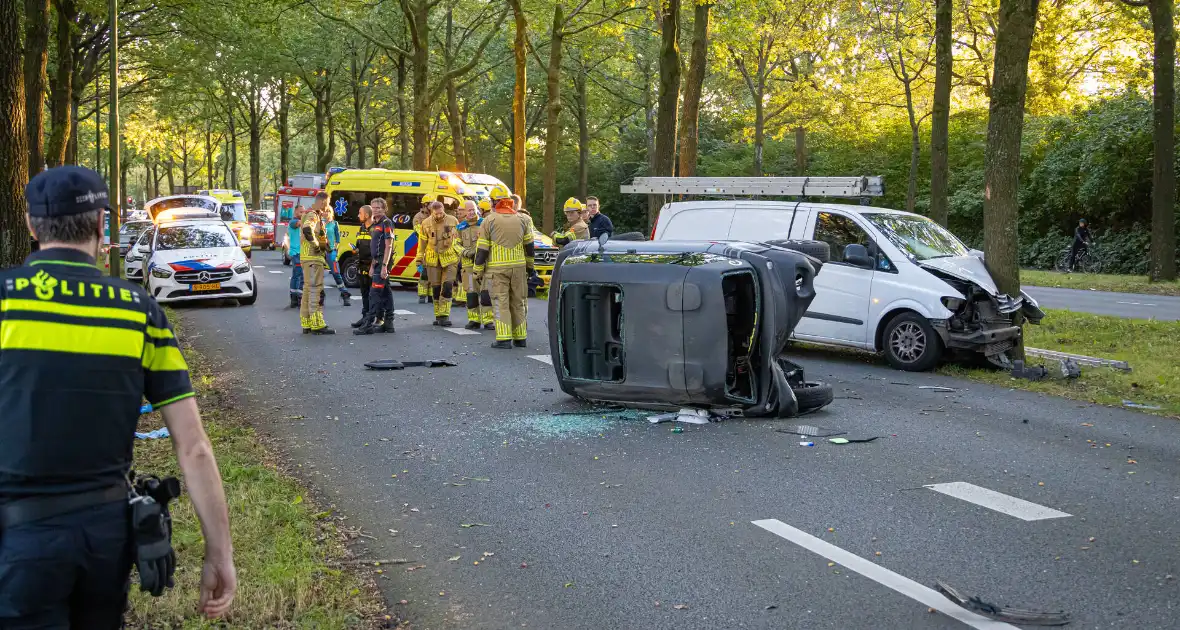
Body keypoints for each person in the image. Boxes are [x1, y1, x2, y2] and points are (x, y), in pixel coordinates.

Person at [1, 166, 236, 625]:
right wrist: (219, 553)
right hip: (106, 538)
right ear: (100, 225)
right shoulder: (138, 312)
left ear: (31, 225)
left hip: (18, 537)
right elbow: (194, 446)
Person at [475, 196, 534, 349]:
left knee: (500, 302)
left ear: (495, 204)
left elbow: (482, 249)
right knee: (518, 302)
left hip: (497, 269)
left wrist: (477, 270)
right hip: (519, 267)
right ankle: (520, 338)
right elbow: (530, 246)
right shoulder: (524, 219)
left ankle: (503, 339)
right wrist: (530, 267)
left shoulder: (489, 220)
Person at [356, 197, 396, 335]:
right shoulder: (376, 223)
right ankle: (389, 323)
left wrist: (384, 265)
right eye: (373, 207)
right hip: (377, 261)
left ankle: (369, 324)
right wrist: (373, 265)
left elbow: (388, 245)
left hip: (383, 261)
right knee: (385, 291)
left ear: (384, 209)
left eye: (378, 208)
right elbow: (375, 247)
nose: (375, 210)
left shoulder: (386, 223)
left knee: (374, 292)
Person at [418, 200, 460, 327]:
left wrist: (460, 254)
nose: (439, 216)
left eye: (441, 213)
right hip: (432, 260)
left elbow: (458, 239)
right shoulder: (425, 223)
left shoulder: (453, 221)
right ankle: (438, 315)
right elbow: (422, 243)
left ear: (443, 210)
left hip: (450, 259)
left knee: (447, 286)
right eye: (436, 214)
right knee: (436, 289)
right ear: (432, 212)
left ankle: (444, 315)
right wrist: (419, 259)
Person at [300, 193, 334, 334]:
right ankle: (317, 324)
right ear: (322, 202)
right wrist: (316, 245)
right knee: (316, 290)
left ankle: (307, 323)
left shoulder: (310, 214)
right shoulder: (313, 215)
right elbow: (307, 229)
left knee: (308, 291)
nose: (327, 208)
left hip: (307, 259)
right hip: (313, 259)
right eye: (326, 204)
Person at [458, 200, 492, 330]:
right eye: (469, 210)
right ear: (464, 212)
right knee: (471, 294)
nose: (472, 212)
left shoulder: (485, 223)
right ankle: (474, 319)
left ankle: (488, 320)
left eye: (473, 209)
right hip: (468, 266)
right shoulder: (460, 227)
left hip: (484, 265)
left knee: (486, 293)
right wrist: (465, 252)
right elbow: (455, 244)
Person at [322, 206, 352, 306]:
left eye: (328, 211)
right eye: (324, 211)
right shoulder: (319, 223)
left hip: (331, 251)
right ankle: (320, 295)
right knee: (318, 274)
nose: (325, 213)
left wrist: (334, 248)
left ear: (331, 213)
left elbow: (338, 239)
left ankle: (344, 293)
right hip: (320, 251)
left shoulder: (334, 224)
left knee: (335, 272)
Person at [350, 205, 374, 329]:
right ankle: (365, 317)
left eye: (360, 213)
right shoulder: (362, 227)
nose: (358, 215)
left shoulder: (375, 229)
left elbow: (377, 250)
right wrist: (356, 250)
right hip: (362, 264)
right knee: (364, 293)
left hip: (371, 266)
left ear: (367, 215)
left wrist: (373, 265)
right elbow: (360, 245)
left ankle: (371, 319)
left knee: (372, 294)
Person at [412, 200, 433, 304]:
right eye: (431, 203)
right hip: (424, 247)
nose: (432, 205)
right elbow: (417, 230)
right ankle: (422, 295)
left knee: (433, 273)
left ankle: (431, 296)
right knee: (424, 274)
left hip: (434, 248)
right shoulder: (419, 216)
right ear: (426, 204)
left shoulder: (436, 215)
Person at [287, 205, 304, 308]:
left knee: (299, 275)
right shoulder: (293, 221)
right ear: (296, 212)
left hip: (302, 253)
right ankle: (295, 297)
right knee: (298, 274)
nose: (302, 213)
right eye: (301, 212)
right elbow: (299, 223)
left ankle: (297, 297)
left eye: (303, 212)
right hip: (296, 253)